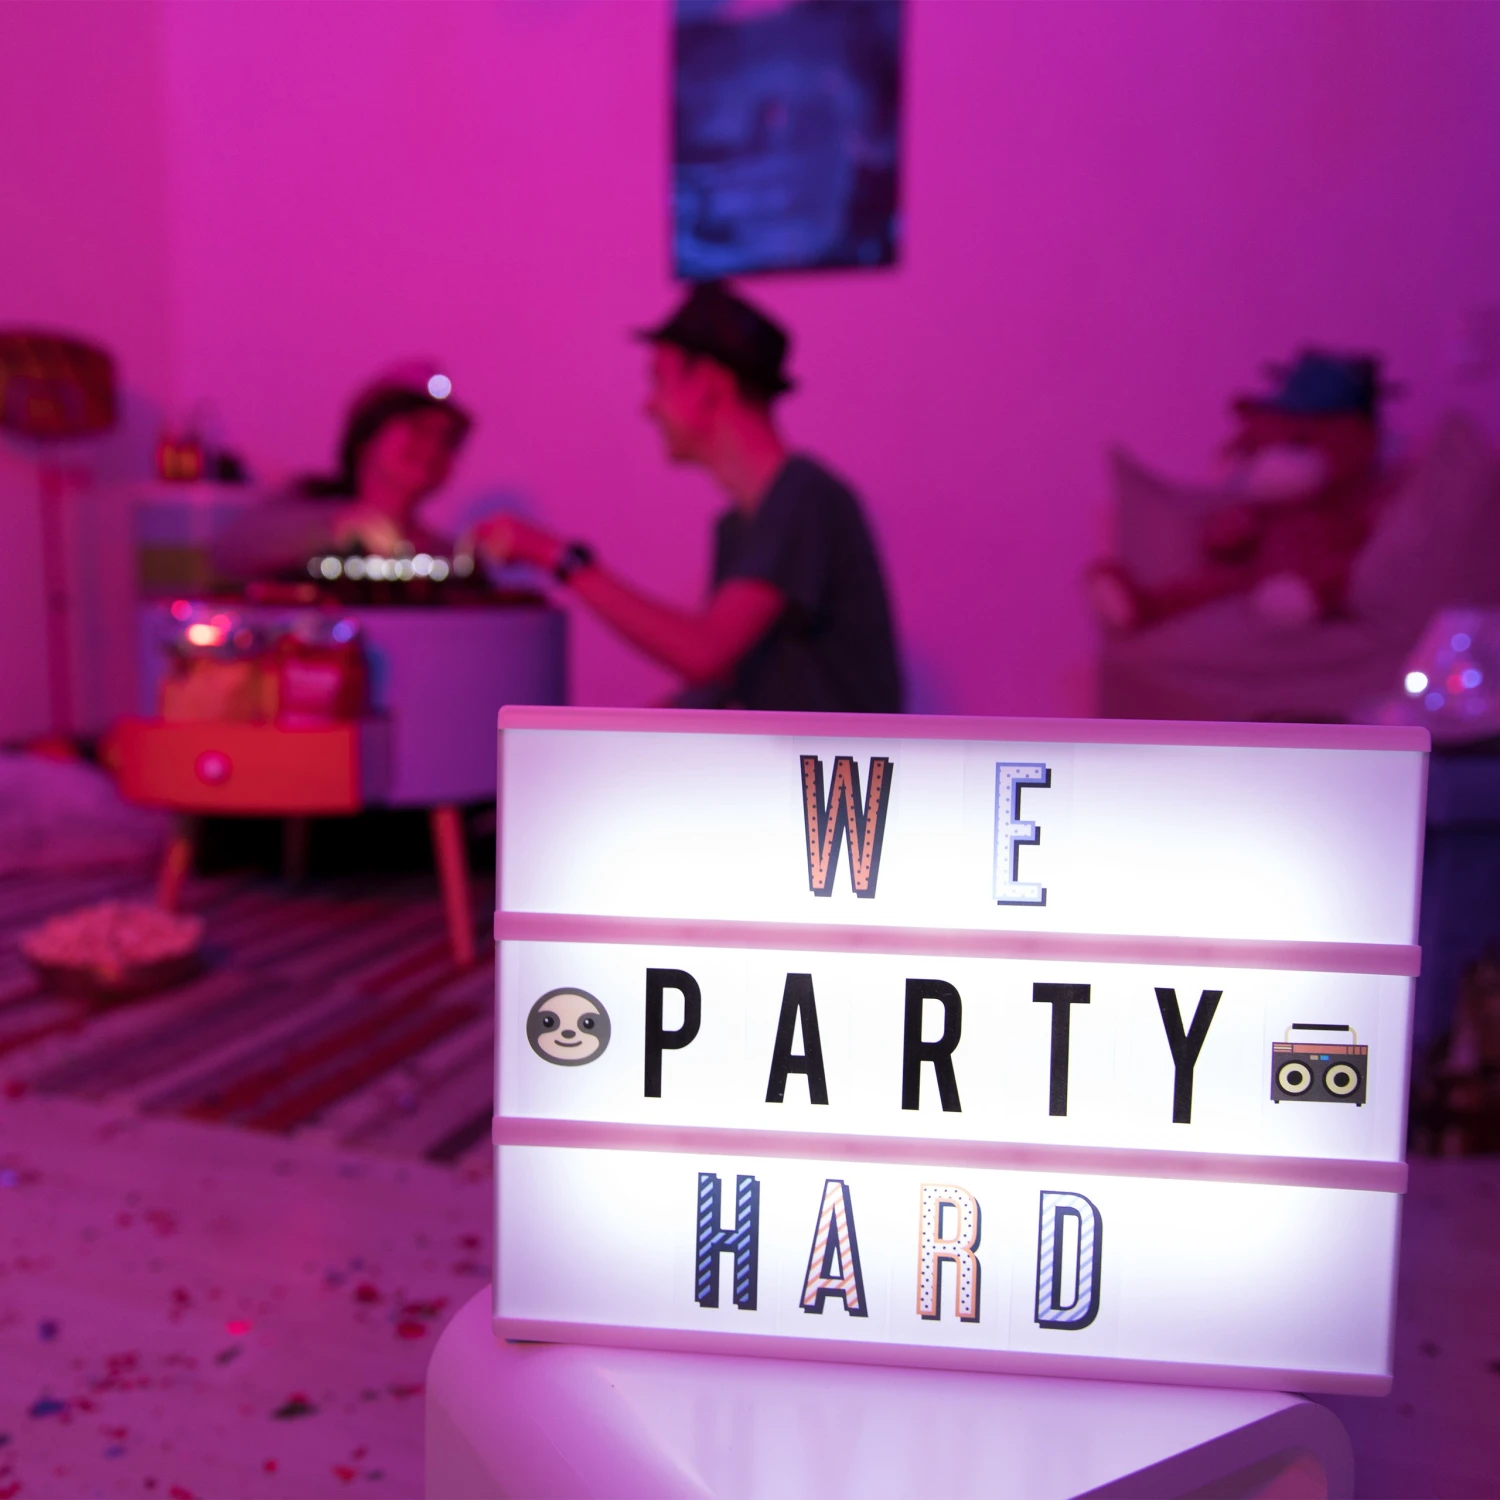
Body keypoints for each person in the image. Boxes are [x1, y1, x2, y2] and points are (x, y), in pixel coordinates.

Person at [472, 282, 902, 712]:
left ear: (711, 384)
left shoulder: (803, 494)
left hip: (835, 759)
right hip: (793, 755)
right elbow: (727, 679)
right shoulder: (739, 525)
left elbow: (706, 653)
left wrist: (557, 557)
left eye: (659, 380)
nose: (648, 406)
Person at [1087, 350, 1400, 632]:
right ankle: (1142, 606)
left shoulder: (1354, 504)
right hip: (1255, 575)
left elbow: (1362, 544)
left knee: (1333, 572)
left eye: (1297, 445)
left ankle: (1308, 597)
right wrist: (1231, 530)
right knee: (1210, 583)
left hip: (1313, 581)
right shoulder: (1268, 507)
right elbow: (1222, 538)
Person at [213, 362, 472, 581]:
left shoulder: (444, 555)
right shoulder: (296, 515)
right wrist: (331, 531)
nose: (433, 447)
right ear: (366, 437)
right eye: (419, 429)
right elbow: (230, 552)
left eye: (448, 439)